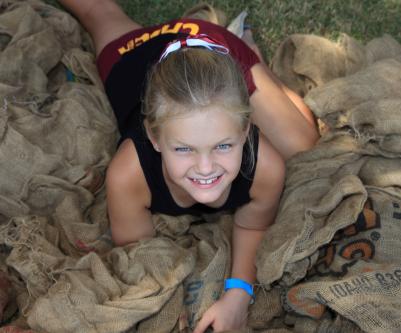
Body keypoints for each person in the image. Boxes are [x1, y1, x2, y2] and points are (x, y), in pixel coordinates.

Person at [56, 1, 319, 332]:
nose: (205, 168)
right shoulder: (127, 176)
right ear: (154, 138)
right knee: (97, 13)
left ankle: (251, 60)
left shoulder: (266, 167)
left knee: (306, 147)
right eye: (183, 149)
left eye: (223, 145)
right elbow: (144, 257)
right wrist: (166, 307)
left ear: (245, 129)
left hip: (218, 57)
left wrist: (239, 295)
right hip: (136, 58)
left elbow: (253, 225)